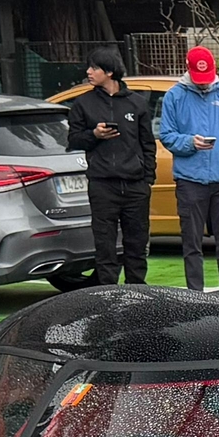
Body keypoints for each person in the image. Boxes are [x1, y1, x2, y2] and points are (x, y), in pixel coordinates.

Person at [155, 45, 219, 290]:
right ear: (188, 69)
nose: (204, 84)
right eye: (199, 79)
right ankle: (195, 297)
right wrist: (189, 142)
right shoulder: (174, 96)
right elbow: (166, 135)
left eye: (207, 79)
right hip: (190, 180)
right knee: (191, 243)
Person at [63, 47, 155, 286]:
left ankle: (136, 290)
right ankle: (108, 292)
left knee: (136, 242)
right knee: (105, 243)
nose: (89, 72)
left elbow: (148, 143)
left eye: (94, 68)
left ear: (110, 72)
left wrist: (147, 179)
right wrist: (94, 134)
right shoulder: (83, 104)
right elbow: (73, 140)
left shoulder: (137, 104)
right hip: (102, 185)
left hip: (135, 185)